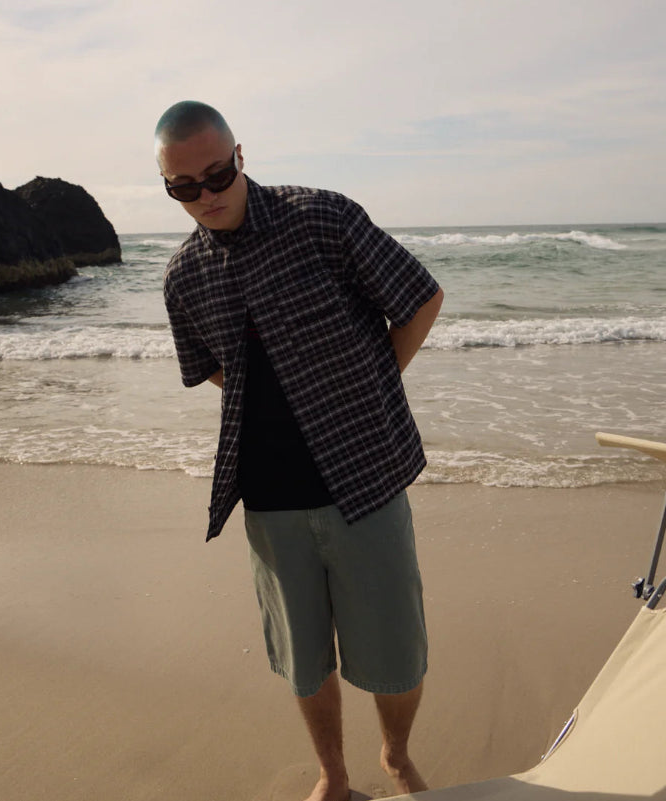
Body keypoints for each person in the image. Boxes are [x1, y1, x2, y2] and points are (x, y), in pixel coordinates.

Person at [155, 100, 444, 801]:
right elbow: (218, 371)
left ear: (240, 156)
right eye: (184, 186)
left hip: (366, 478)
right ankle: (334, 775)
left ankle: (396, 755)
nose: (207, 194)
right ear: (168, 186)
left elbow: (420, 298)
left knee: (397, 653)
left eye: (216, 174)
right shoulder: (182, 277)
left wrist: (365, 390)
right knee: (303, 660)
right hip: (271, 498)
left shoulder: (322, 218)